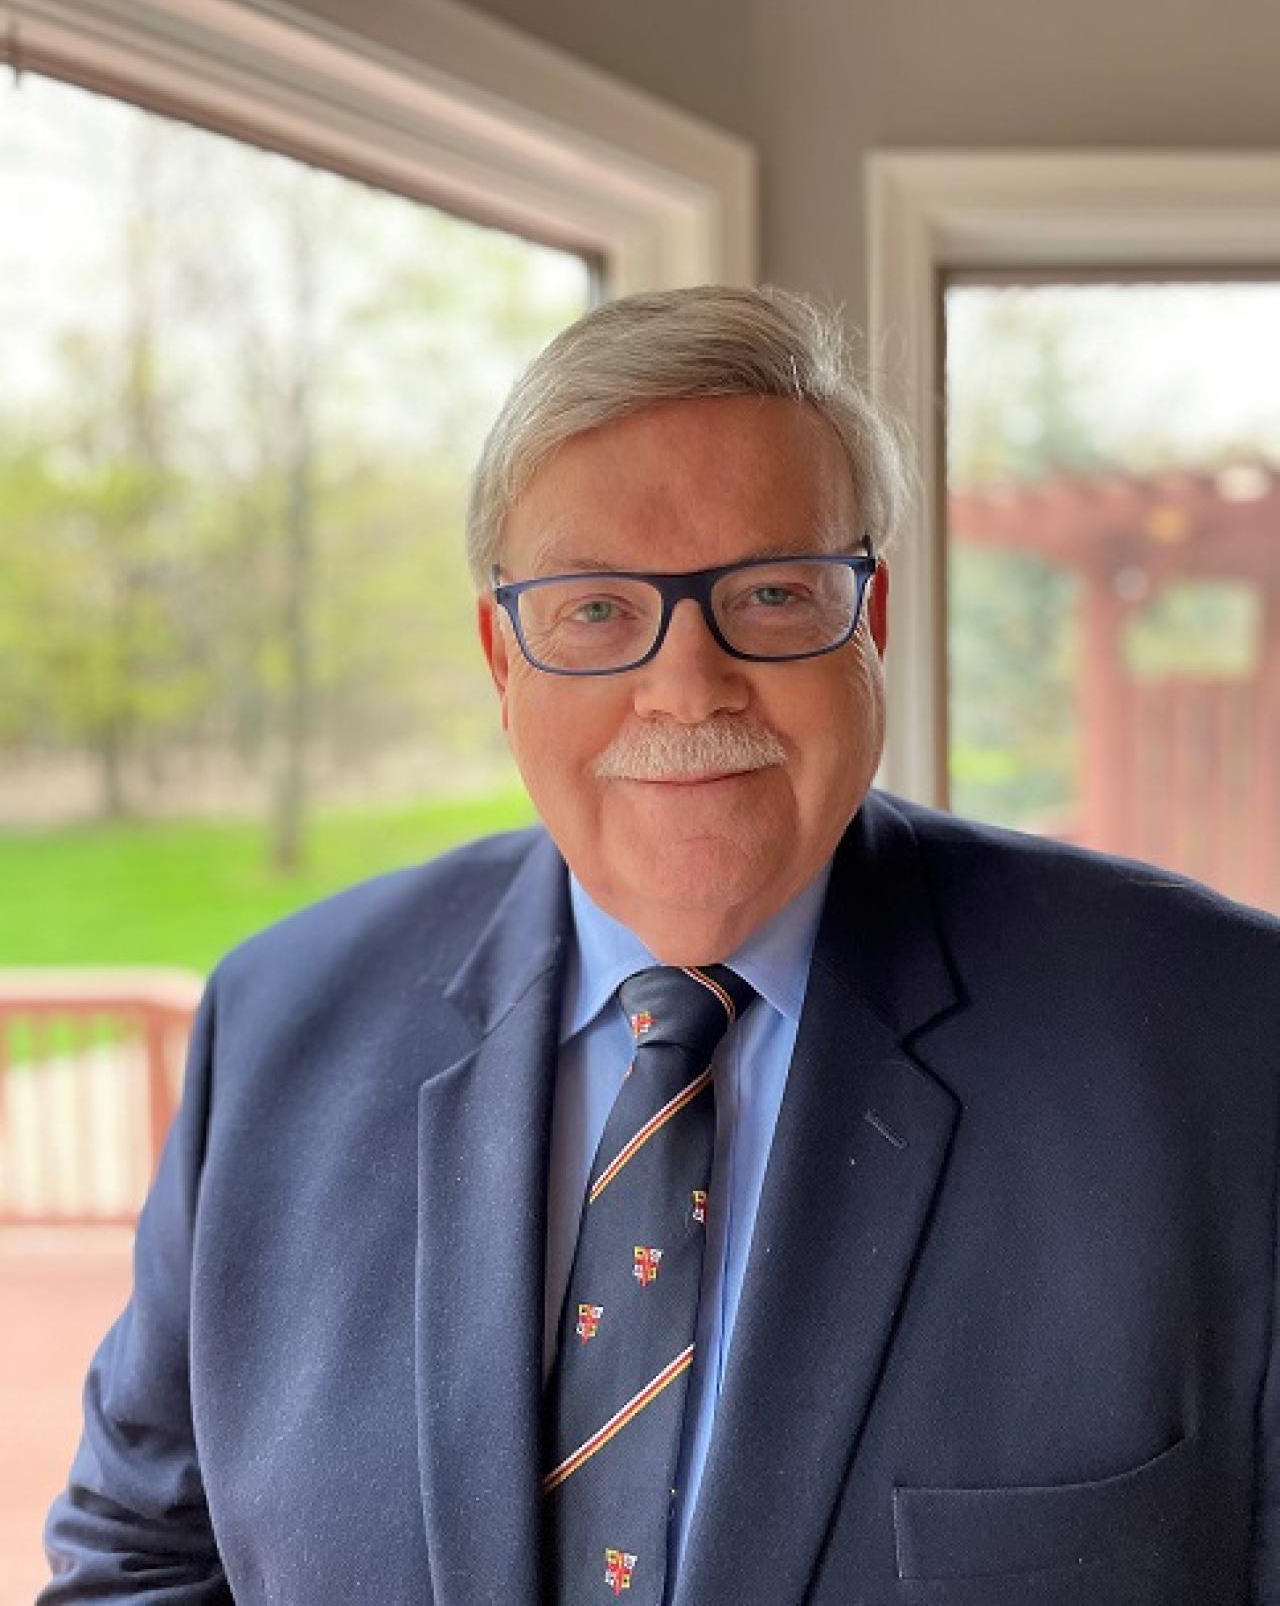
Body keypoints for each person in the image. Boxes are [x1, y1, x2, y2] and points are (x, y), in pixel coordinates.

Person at [40, 285, 1280, 1606]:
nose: (687, 685)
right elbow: (142, 1556)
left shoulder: (1219, 1036)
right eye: (593, 611)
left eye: (772, 592)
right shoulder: (278, 1030)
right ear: (499, 658)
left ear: (871, 621)